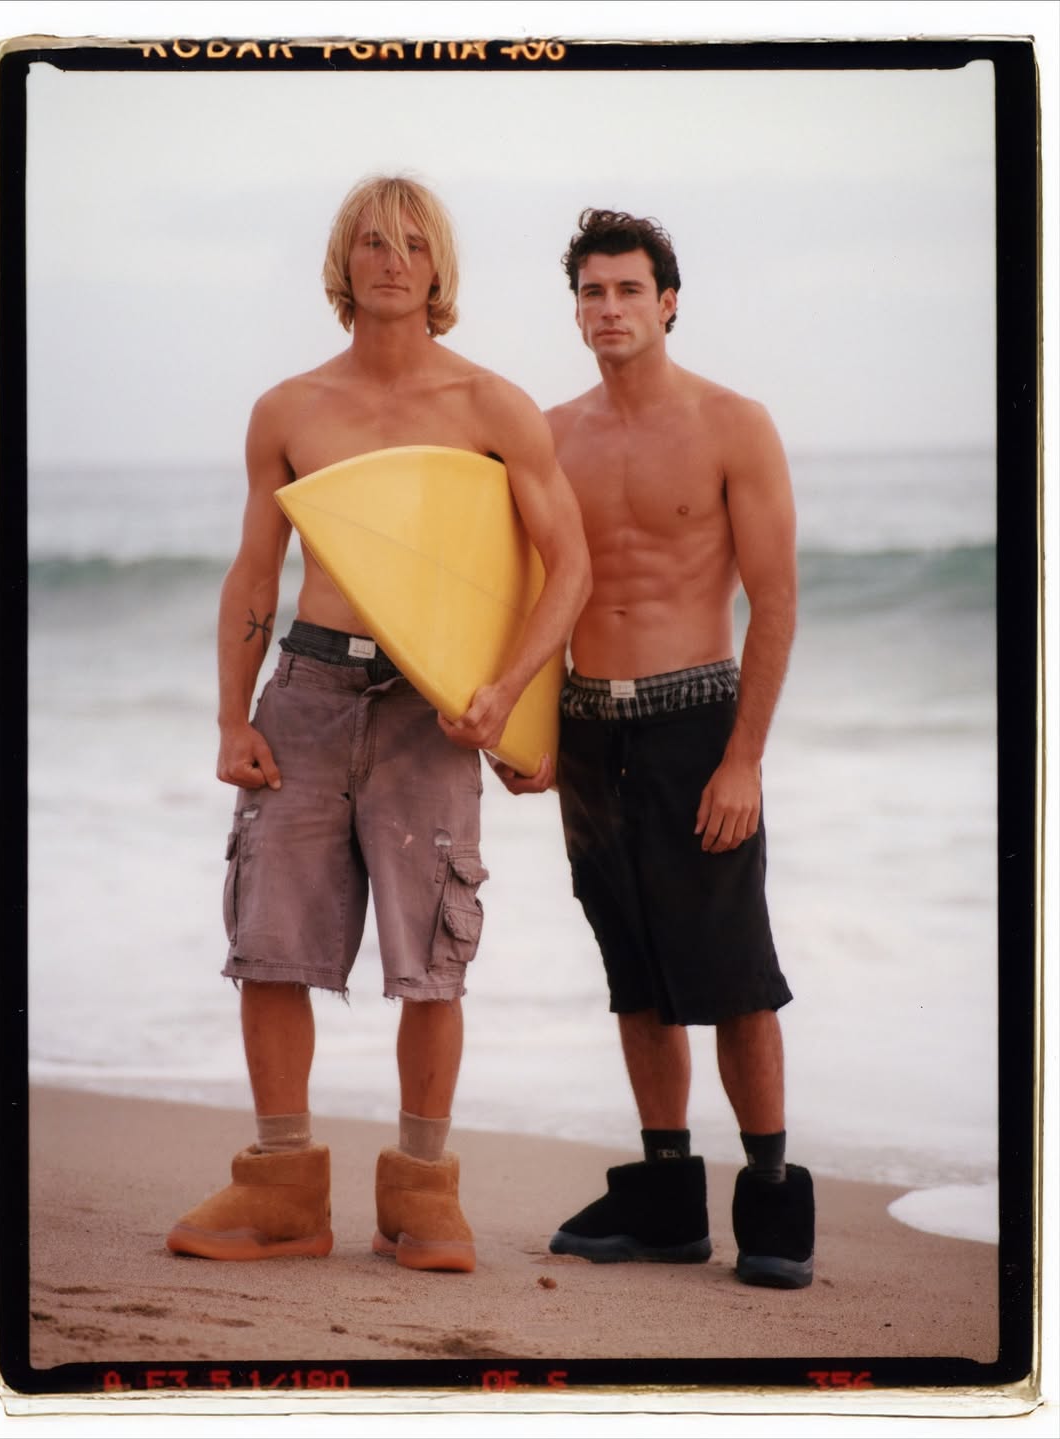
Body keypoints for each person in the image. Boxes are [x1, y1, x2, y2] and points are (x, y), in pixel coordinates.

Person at [165, 176, 590, 1274]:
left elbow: (567, 567)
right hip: (306, 691)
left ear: (438, 266)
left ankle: (421, 1193)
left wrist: (513, 698)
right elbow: (254, 572)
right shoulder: (290, 409)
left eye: (411, 242)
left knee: (431, 957)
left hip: (430, 707)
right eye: (370, 242)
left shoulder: (493, 407)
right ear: (342, 264)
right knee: (270, 943)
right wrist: (231, 717)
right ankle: (281, 1187)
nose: (391, 258)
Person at [495, 208, 813, 1288]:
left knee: (735, 973)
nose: (610, 308)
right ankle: (669, 1197)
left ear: (668, 302)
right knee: (632, 968)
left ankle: (771, 1195)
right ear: (576, 309)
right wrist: (525, 729)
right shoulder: (548, 435)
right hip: (589, 730)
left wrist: (745, 757)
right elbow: (525, 594)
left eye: (629, 289)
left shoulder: (734, 424)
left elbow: (775, 601)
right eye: (593, 291)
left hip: (698, 723)